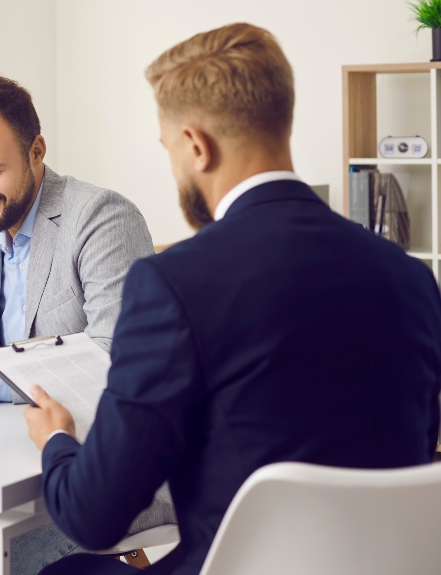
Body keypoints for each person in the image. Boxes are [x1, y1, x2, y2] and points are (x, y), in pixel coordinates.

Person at [24, 23, 441, 575]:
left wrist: (56, 438)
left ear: (196, 145)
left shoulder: (172, 284)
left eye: (170, 149)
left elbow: (94, 516)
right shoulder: (411, 279)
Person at [0, 76, 169, 575]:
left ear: (36, 151)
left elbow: (111, 365)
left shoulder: (102, 218)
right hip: (10, 464)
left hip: (100, 478)